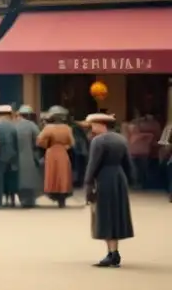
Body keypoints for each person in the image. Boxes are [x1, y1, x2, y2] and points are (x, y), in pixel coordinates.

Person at [83, 113, 134, 268]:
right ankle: (114, 252)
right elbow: (128, 164)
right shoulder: (121, 139)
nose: (92, 128)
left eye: (93, 125)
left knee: (105, 215)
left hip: (104, 178)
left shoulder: (98, 141)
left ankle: (112, 254)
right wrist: (130, 180)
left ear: (100, 124)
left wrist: (88, 183)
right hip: (119, 178)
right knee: (116, 215)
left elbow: (93, 164)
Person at [37, 106, 74, 208]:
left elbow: (39, 141)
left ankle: (54, 193)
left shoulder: (48, 128)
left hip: (51, 152)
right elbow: (72, 143)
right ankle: (63, 196)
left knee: (52, 174)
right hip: (63, 152)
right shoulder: (67, 128)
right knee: (63, 174)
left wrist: (47, 146)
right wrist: (64, 147)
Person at [14, 105, 42, 208]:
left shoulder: (14, 125)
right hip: (29, 155)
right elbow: (39, 139)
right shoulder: (31, 125)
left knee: (19, 178)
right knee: (30, 178)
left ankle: (22, 199)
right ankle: (30, 200)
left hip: (16, 156)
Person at [0, 105, 19, 207]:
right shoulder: (13, 126)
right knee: (11, 177)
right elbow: (16, 141)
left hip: (0, 155)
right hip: (12, 154)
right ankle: (12, 199)